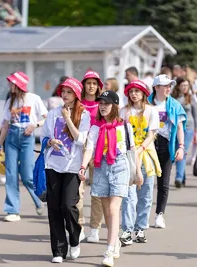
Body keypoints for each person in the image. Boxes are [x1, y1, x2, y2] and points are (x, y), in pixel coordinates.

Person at [79, 90, 134, 267]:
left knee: (113, 207)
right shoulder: (95, 128)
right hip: (100, 166)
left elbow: (132, 151)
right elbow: (89, 148)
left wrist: (138, 173)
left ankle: (109, 249)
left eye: (106, 103)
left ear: (115, 106)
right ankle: (115, 240)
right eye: (101, 103)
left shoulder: (124, 126)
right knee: (107, 211)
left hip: (119, 165)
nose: (102, 107)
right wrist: (83, 166)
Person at [42, 77, 90, 263]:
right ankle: (58, 251)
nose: (65, 95)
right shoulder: (53, 113)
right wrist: (51, 141)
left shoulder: (84, 115)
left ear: (77, 95)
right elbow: (44, 136)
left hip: (72, 167)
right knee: (54, 208)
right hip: (53, 165)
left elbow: (80, 140)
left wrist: (68, 119)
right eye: (63, 91)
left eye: (69, 92)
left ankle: (75, 238)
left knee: (68, 206)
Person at [0, 71, 48, 222]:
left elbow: (47, 118)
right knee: (11, 175)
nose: (10, 85)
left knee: (27, 176)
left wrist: (35, 125)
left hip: (27, 138)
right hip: (12, 136)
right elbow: (5, 124)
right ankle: (12, 210)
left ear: (19, 85)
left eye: (12, 83)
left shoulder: (34, 98)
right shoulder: (10, 101)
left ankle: (39, 200)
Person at [119, 80, 161, 246]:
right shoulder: (124, 111)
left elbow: (152, 134)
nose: (134, 94)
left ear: (144, 93)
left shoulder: (152, 111)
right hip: (128, 156)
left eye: (137, 91)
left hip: (146, 155)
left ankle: (140, 228)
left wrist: (141, 147)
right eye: (131, 91)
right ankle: (127, 230)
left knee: (146, 194)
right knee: (129, 195)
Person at [148, 74, 186, 229]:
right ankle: (140, 215)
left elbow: (180, 128)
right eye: (165, 86)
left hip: (167, 145)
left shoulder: (175, 105)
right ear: (156, 87)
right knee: (145, 182)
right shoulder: (146, 103)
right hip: (148, 144)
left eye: (170, 85)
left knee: (163, 183)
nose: (168, 88)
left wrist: (181, 146)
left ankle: (159, 215)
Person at [79, 70, 104, 243]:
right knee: (76, 192)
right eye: (88, 83)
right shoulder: (78, 104)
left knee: (97, 191)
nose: (91, 86)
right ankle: (78, 227)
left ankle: (94, 228)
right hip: (78, 150)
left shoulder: (102, 104)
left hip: (97, 151)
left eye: (95, 83)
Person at [171, 78, 197, 188]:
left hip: (188, 128)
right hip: (175, 128)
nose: (185, 87)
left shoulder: (191, 98)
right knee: (176, 152)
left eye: (187, 85)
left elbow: (196, 116)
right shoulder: (173, 98)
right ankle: (182, 177)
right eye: (183, 85)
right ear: (178, 86)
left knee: (182, 151)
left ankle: (178, 177)